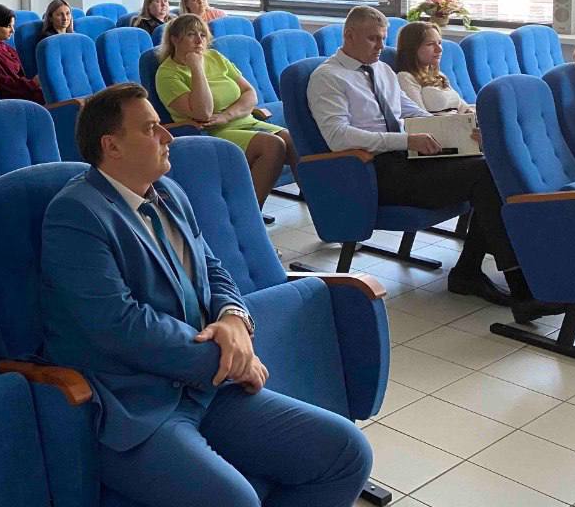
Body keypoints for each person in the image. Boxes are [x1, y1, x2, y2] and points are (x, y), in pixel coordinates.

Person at [40, 84, 372, 507]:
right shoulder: (77, 213)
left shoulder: (168, 192)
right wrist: (226, 359)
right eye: (151, 128)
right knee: (234, 501)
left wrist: (234, 318)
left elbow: (213, 269)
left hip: (207, 390)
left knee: (345, 453)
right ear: (112, 146)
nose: (168, 136)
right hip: (138, 403)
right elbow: (118, 324)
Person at [308, 6, 546, 318]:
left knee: (489, 166)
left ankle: (481, 274)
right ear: (349, 36)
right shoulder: (327, 77)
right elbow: (338, 137)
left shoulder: (382, 70)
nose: (381, 46)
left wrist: (458, 130)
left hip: (406, 159)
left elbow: (411, 111)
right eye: (372, 39)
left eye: (383, 38)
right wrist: (406, 140)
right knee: (483, 175)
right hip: (371, 172)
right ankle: (514, 286)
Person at [155, 14, 293, 206]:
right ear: (175, 39)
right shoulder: (167, 74)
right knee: (273, 145)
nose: (199, 41)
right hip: (210, 132)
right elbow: (203, 112)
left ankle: (320, 209)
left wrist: (227, 115)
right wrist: (196, 68)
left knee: (292, 141)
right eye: (191, 35)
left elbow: (250, 93)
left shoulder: (215, 57)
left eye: (203, 35)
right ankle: (249, 213)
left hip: (242, 121)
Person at [393, 22, 474, 115]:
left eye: (439, 43)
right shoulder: (405, 77)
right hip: (439, 123)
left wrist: (470, 112)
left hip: (460, 121)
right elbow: (419, 116)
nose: (439, 49)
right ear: (412, 49)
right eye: (430, 44)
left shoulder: (439, 75)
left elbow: (463, 107)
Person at [0, 4, 44, 104]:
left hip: (23, 90)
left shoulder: (8, 48)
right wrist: (33, 83)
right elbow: (5, 84)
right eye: (8, 26)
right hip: (12, 98)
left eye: (13, 26)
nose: (13, 31)